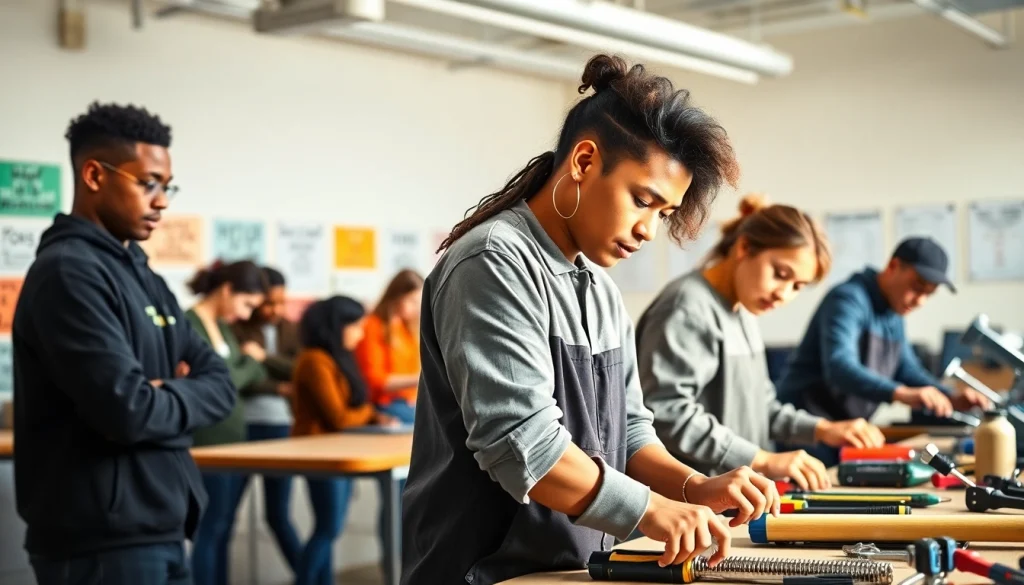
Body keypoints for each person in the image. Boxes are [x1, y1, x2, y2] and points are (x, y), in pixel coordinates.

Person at [402, 54, 782, 585]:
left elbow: (627, 431)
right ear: (583, 162)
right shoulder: (493, 261)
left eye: (664, 214)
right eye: (642, 200)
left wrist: (695, 487)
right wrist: (652, 509)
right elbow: (523, 445)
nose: (650, 230)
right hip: (483, 572)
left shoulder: (599, 287)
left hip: (569, 570)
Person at [11, 102, 236, 585]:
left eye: (167, 186)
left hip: (160, 527)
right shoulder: (68, 273)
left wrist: (161, 396)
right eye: (148, 183)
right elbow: (127, 411)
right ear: (94, 174)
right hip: (99, 542)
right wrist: (164, 398)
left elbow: (220, 381)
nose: (162, 201)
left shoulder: (140, 272)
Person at [636, 195, 886, 491]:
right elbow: (667, 413)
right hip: (687, 504)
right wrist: (763, 459)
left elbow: (762, 407)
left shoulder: (743, 311)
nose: (784, 294)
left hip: (735, 500)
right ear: (744, 248)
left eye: (797, 286)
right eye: (781, 274)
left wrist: (824, 429)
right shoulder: (688, 307)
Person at [777, 236, 991, 465]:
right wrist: (901, 394)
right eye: (917, 287)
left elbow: (907, 369)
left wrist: (950, 397)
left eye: (929, 294)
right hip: (805, 429)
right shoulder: (847, 299)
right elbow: (840, 366)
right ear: (893, 266)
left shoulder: (894, 315)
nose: (920, 300)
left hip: (844, 431)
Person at [291, 296, 395, 585]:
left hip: (338, 450)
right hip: (319, 453)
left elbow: (352, 410)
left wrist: (372, 415)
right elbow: (339, 417)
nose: (360, 333)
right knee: (328, 528)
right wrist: (370, 413)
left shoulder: (338, 357)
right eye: (356, 326)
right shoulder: (314, 360)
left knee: (330, 527)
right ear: (338, 326)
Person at [184, 260, 269, 585]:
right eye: (246, 304)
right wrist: (248, 360)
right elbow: (225, 380)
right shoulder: (189, 323)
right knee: (209, 529)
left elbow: (252, 375)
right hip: (207, 445)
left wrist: (243, 368)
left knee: (224, 528)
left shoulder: (222, 326)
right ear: (227, 289)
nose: (247, 316)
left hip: (234, 442)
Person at [231, 266, 302, 574]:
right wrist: (278, 384)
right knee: (225, 516)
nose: (276, 309)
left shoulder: (291, 328)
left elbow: (300, 371)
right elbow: (239, 378)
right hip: (243, 428)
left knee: (278, 515)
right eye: (269, 302)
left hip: (281, 426)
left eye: (281, 302)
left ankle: (307, 577)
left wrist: (262, 359)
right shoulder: (237, 327)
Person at [356, 268, 424, 425]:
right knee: (432, 427)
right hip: (383, 404)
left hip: (407, 403)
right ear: (397, 297)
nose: (417, 308)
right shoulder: (373, 326)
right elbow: (376, 380)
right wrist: (420, 379)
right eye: (412, 301)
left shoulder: (407, 328)